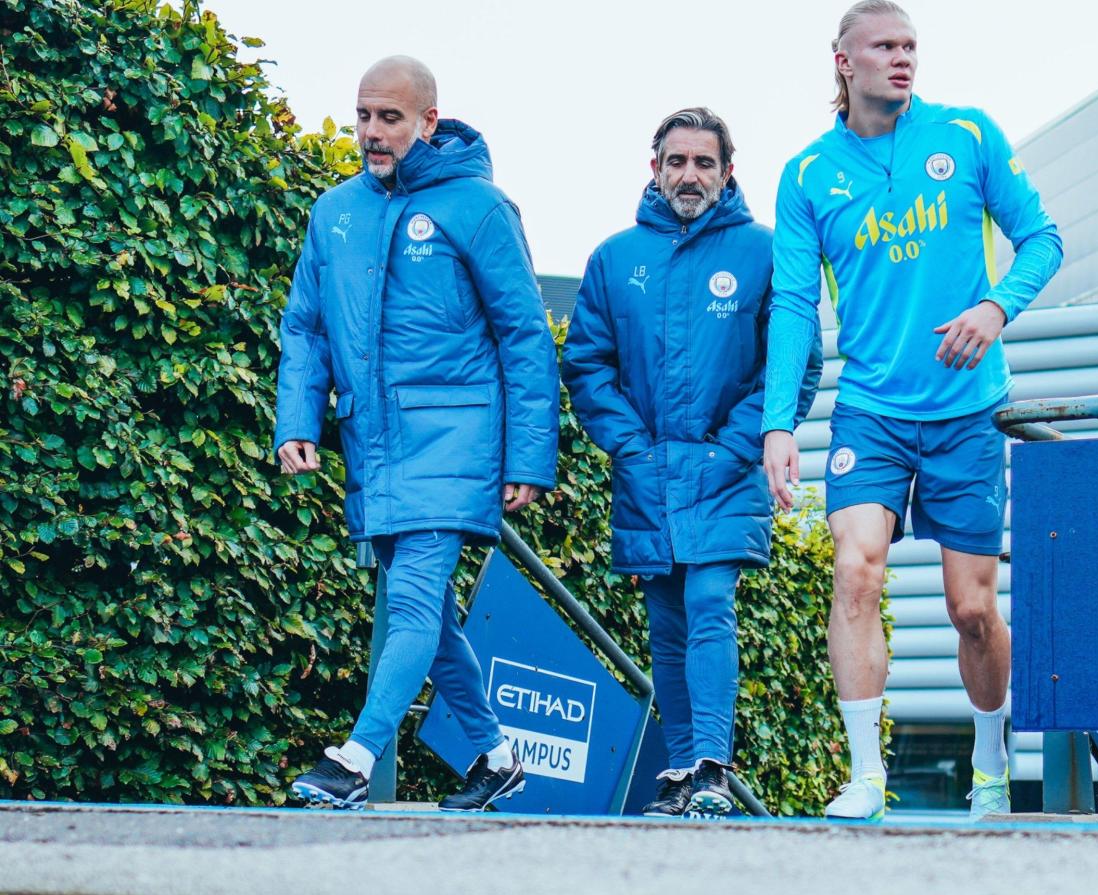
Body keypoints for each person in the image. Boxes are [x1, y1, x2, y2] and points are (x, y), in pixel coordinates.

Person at [761, 1, 1062, 822]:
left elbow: (1042, 238)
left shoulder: (966, 135)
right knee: (855, 569)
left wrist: (995, 308)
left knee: (972, 608)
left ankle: (992, 771)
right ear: (843, 61)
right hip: (871, 411)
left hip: (969, 410)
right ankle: (866, 778)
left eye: (910, 47)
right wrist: (778, 422)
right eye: (885, 47)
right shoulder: (805, 175)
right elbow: (792, 303)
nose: (902, 60)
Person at [274, 56, 559, 812]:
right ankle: (498, 759)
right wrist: (297, 420)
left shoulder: (480, 207)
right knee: (428, 620)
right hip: (373, 442)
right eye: (364, 115)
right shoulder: (333, 211)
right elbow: (303, 326)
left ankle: (355, 758)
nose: (372, 132)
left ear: (429, 122)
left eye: (390, 118)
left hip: (457, 439)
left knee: (408, 601)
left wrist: (529, 454)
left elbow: (526, 336)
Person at [562, 108, 821, 819]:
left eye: (704, 163)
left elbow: (792, 366)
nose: (689, 175)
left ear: (728, 173)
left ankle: (710, 766)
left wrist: (737, 444)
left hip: (728, 470)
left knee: (711, 605)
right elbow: (586, 365)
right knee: (666, 627)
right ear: (654, 168)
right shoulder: (615, 259)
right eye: (676, 161)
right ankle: (681, 775)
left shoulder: (766, 252)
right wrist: (631, 447)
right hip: (647, 475)